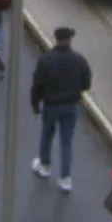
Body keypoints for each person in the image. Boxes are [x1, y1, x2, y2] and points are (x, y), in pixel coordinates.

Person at [29, 26, 92, 190]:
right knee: (67, 141)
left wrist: (35, 103)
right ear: (70, 40)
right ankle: (65, 178)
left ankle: (44, 166)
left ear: (56, 39)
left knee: (47, 134)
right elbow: (86, 83)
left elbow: (37, 85)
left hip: (51, 105)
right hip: (71, 105)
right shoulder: (79, 60)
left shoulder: (46, 60)